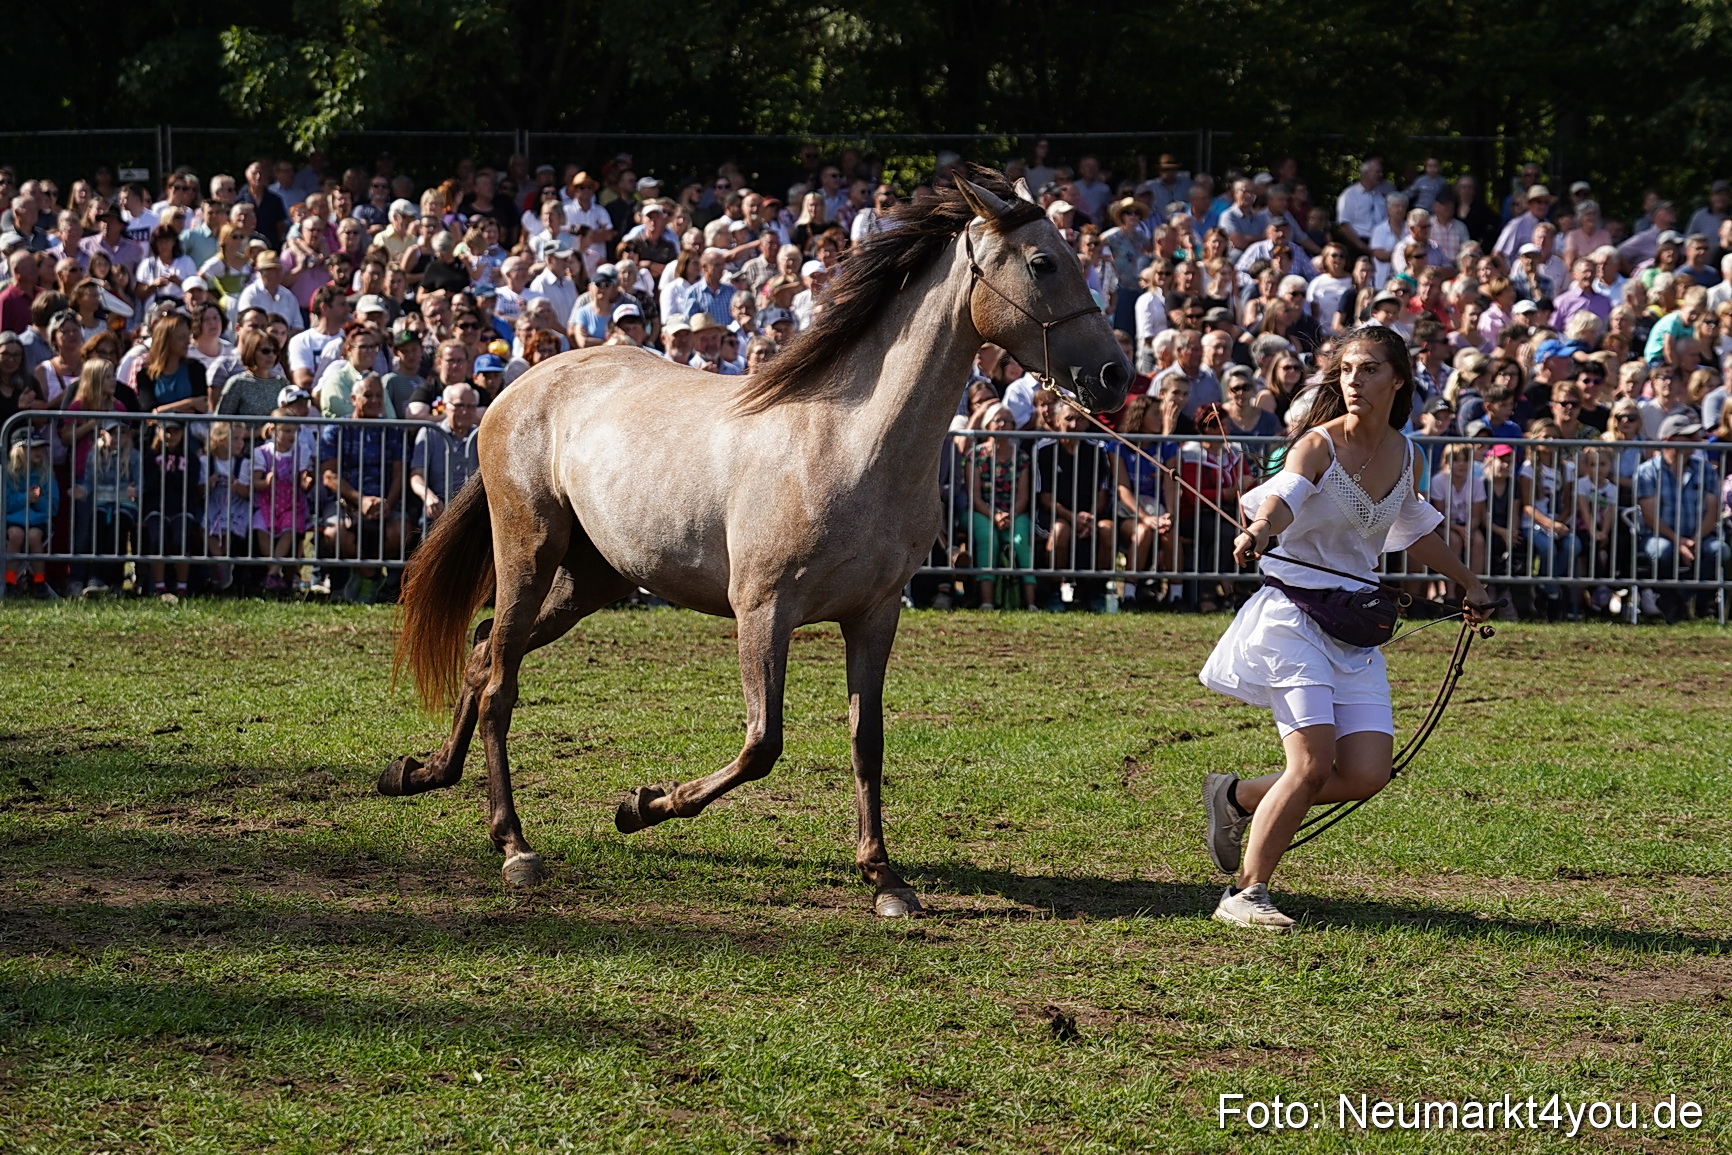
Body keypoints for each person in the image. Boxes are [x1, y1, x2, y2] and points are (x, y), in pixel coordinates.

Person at [1199, 325, 1492, 931]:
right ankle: (1246, 894)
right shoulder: (1316, 445)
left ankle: (1237, 797)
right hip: (1292, 619)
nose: (1354, 381)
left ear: (1398, 381)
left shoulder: (1408, 454)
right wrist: (1258, 531)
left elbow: (1414, 528)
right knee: (1309, 764)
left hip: (1353, 625)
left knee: (1365, 774)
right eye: (1347, 370)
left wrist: (1470, 582)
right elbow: (1283, 499)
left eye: (1369, 370)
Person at [318, 374, 404, 603]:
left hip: (384, 503)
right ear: (353, 398)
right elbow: (329, 475)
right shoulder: (336, 429)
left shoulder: (393, 430)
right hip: (345, 502)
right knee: (334, 534)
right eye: (368, 395)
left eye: (379, 395)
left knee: (403, 532)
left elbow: (399, 474)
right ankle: (361, 577)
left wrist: (388, 503)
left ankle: (373, 580)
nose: (375, 400)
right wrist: (361, 500)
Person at [1636, 414, 1726, 617]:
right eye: (1688, 436)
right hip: (1659, 536)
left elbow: (1712, 510)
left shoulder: (1705, 470)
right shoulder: (1647, 471)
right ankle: (1674, 600)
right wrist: (1679, 542)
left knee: (1719, 549)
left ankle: (1683, 599)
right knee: (1662, 551)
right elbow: (1650, 517)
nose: (1695, 440)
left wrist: (1693, 540)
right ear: (1669, 440)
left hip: (1699, 537)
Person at [967, 402, 1037, 610]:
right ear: (988, 425)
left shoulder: (1022, 458)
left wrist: (1010, 514)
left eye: (1008, 421)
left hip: (1014, 511)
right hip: (982, 510)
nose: (1003, 425)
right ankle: (987, 601)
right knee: (988, 540)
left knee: (1021, 541)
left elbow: (1023, 495)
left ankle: (1031, 603)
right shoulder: (975, 456)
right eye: (998, 420)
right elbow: (975, 496)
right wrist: (995, 515)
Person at [250, 413, 313, 594]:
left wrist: (305, 481)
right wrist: (266, 481)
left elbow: (303, 476)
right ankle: (274, 572)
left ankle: (272, 573)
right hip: (267, 501)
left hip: (292, 502)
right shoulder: (261, 452)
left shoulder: (301, 451)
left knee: (290, 527)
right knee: (261, 527)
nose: (291, 435)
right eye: (286, 430)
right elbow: (256, 483)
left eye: (294, 431)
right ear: (273, 430)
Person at [140, 420, 203, 599]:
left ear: (183, 433)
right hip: (156, 507)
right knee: (157, 539)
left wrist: (175, 474)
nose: (170, 436)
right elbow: (147, 484)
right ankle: (159, 586)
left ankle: (182, 587)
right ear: (158, 432)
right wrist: (161, 473)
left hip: (182, 507)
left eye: (175, 431)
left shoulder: (190, 457)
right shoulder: (150, 456)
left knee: (180, 540)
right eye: (166, 431)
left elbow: (192, 485)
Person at [409, 383, 481, 525]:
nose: (465, 412)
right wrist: (428, 496)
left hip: (473, 511)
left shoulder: (481, 436)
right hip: (438, 510)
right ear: (445, 406)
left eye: (470, 406)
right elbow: (416, 476)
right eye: (459, 405)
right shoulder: (429, 433)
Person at [3, 434, 57, 595]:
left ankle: (39, 582)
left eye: (41, 447)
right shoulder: (7, 475)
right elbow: (5, 503)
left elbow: (53, 507)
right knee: (15, 535)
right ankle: (10, 581)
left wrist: (38, 500)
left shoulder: (47, 475)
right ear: (19, 451)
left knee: (34, 536)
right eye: (33, 448)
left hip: (39, 520)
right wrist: (26, 498)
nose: (38, 452)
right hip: (13, 519)